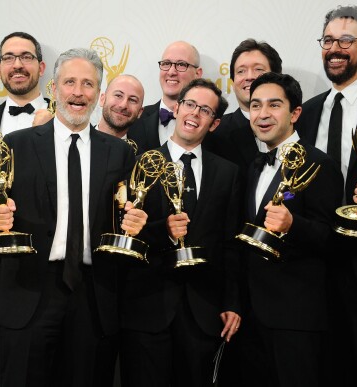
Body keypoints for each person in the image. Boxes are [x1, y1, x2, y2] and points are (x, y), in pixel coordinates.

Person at [0, 48, 148, 387]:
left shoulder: (119, 152)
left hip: (93, 296)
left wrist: (133, 222)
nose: (78, 92)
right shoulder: (16, 144)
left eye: (87, 84)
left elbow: (126, 215)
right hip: (29, 290)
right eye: (69, 82)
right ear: (53, 89)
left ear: (99, 95)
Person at [120, 78, 242, 387]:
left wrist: (232, 303)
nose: (194, 114)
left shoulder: (228, 173)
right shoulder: (139, 164)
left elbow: (230, 244)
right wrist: (165, 232)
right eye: (190, 104)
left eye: (205, 110)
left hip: (203, 312)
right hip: (147, 307)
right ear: (176, 108)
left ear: (214, 124)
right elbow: (124, 234)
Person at [238, 72, 342, 387]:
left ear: (295, 113)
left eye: (274, 105)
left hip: (296, 319)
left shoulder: (319, 164)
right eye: (255, 106)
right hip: (251, 317)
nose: (263, 114)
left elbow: (332, 240)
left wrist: (293, 224)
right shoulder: (254, 165)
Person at [296, 5, 357, 386]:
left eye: (346, 40)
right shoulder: (306, 113)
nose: (335, 49)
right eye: (328, 40)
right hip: (313, 269)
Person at [204, 39, 283, 173]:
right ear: (233, 83)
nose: (249, 77)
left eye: (258, 69)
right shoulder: (216, 133)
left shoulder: (298, 126)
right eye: (241, 71)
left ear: (277, 78)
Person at [128, 41, 202, 153]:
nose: (171, 72)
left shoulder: (207, 123)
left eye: (181, 64)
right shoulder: (134, 119)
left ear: (198, 74)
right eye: (166, 63)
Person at [0, 31, 53, 134]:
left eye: (26, 57)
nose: (17, 65)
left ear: (41, 68)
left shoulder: (63, 117)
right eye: (8, 58)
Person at [96, 74, 144, 139]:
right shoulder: (78, 143)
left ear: (140, 112)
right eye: (118, 96)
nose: (123, 105)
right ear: (102, 99)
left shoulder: (143, 149)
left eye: (132, 100)